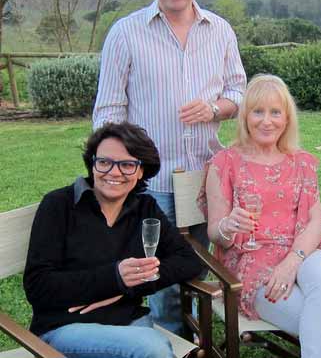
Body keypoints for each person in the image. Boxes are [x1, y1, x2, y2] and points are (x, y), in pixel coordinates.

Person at [92, 0, 247, 333]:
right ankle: (169, 341)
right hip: (155, 185)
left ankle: (197, 339)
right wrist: (129, 166)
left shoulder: (221, 30)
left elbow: (239, 93)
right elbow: (107, 115)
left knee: (200, 268)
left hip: (208, 178)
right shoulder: (125, 34)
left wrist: (214, 109)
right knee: (162, 285)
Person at [199, 75, 321, 357]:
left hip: (304, 251)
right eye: (258, 111)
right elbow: (215, 234)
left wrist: (291, 263)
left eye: (275, 112)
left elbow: (314, 222)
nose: (266, 121)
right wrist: (228, 225)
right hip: (254, 263)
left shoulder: (301, 162)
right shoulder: (225, 163)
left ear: (287, 118)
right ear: (245, 117)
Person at [23, 122, 204, 358]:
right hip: (65, 327)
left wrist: (128, 285)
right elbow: (38, 285)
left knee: (149, 345)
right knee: (153, 349)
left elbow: (189, 260)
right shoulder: (59, 205)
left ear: (141, 171)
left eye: (127, 164)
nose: (114, 173)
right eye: (105, 162)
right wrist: (114, 277)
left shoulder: (144, 208)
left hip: (128, 322)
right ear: (93, 163)